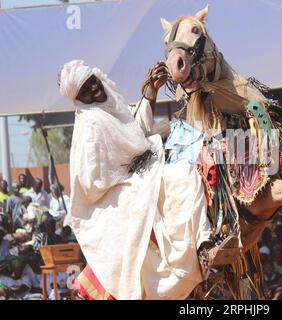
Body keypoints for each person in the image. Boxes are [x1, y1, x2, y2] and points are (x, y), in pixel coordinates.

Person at [59, 59, 213, 300]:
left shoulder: (108, 104)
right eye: (85, 88)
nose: (93, 87)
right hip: (113, 193)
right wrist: (157, 138)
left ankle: (202, 240)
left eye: (92, 81)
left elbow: (134, 129)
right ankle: (201, 247)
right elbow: (116, 163)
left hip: (136, 171)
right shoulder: (90, 122)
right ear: (79, 98)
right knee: (180, 174)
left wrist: (151, 90)